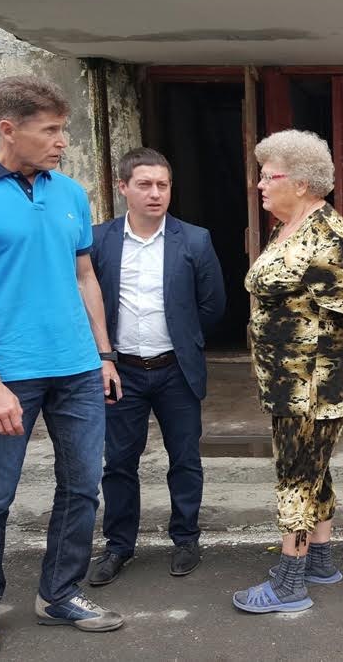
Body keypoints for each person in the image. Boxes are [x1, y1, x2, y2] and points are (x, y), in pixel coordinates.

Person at [0, 75, 124, 660]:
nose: (63, 141)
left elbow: (85, 277)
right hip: (8, 373)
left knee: (82, 486)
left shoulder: (70, 193)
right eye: (52, 130)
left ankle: (59, 593)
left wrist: (104, 355)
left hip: (77, 368)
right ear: (8, 129)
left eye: (64, 129)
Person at [232, 129, 343, 614]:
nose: (259, 184)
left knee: (296, 471)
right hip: (288, 376)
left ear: (300, 183)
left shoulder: (324, 236)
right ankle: (319, 558)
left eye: (268, 176)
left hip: (312, 380)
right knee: (313, 465)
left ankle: (289, 583)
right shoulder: (290, 226)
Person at [86, 148, 226, 585]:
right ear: (123, 187)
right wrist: (104, 356)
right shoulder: (99, 240)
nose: (155, 193)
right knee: (118, 463)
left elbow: (213, 305)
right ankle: (118, 546)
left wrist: (184, 339)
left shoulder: (195, 240)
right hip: (121, 370)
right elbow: (86, 301)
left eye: (162, 185)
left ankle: (185, 539)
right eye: (144, 184)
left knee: (184, 459)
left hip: (175, 370)